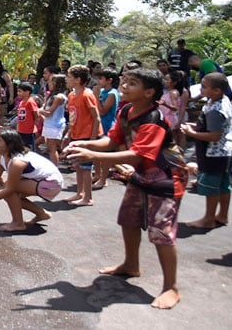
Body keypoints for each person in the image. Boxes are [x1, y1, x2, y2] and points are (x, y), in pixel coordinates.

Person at [63, 68, 187, 309]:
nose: (125, 86)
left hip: (166, 180)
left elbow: (137, 155)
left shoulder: (154, 119)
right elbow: (111, 141)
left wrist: (91, 154)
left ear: (149, 92)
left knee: (161, 234)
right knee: (128, 219)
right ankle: (131, 265)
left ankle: (171, 287)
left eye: (133, 83)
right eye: (125, 81)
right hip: (142, 176)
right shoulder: (127, 111)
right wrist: (87, 143)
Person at [0, 128, 63, 232]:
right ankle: (41, 214)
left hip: (52, 184)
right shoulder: (1, 157)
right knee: (13, 194)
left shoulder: (17, 162)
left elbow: (9, 189)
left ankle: (18, 224)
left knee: (8, 192)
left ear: (9, 144)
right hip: (41, 181)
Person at [181, 72, 232, 229]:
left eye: (204, 87)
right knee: (224, 184)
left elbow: (214, 135)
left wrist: (191, 133)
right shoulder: (222, 101)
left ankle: (208, 218)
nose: (201, 89)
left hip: (215, 153)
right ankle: (223, 215)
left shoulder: (215, 109)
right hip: (227, 150)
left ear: (217, 91)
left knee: (211, 187)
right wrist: (196, 126)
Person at [63, 64, 103, 206]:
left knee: (86, 168)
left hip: (87, 136)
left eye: (69, 77)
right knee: (78, 166)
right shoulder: (71, 95)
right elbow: (73, 118)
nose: (66, 79)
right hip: (76, 134)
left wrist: (92, 140)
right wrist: (68, 134)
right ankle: (80, 193)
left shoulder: (87, 95)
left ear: (78, 80)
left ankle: (88, 197)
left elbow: (96, 118)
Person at [94, 68, 120, 188]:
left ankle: (103, 179)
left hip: (108, 125)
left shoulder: (112, 93)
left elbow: (103, 111)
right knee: (96, 151)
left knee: (105, 154)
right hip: (99, 125)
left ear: (109, 80)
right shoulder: (103, 91)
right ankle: (97, 175)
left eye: (101, 78)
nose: (98, 81)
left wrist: (96, 96)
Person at [39, 74, 67, 166]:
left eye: (52, 81)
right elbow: (45, 107)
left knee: (52, 149)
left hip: (55, 125)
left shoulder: (59, 97)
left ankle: (55, 167)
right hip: (49, 124)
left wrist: (38, 110)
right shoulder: (51, 95)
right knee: (52, 147)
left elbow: (49, 112)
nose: (49, 83)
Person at [16, 82, 39, 152]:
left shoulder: (30, 102)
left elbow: (35, 113)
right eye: (18, 91)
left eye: (20, 91)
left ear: (27, 92)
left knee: (30, 147)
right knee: (22, 146)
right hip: (21, 129)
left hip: (29, 130)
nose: (18, 93)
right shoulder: (21, 102)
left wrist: (34, 122)